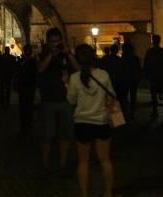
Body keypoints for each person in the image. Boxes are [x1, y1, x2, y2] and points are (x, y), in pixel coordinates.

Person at [67, 44, 114, 197]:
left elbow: (71, 101)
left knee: (83, 162)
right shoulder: (104, 75)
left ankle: (84, 193)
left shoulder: (74, 78)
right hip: (101, 121)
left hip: (82, 122)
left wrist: (66, 85)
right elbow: (111, 96)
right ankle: (107, 192)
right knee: (105, 160)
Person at [37, 27, 78, 176]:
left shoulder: (66, 55)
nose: (55, 44)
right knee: (48, 135)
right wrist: (51, 55)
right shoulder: (44, 54)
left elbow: (78, 69)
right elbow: (40, 69)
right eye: (52, 42)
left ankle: (63, 163)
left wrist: (69, 54)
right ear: (48, 42)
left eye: (57, 41)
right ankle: (44, 163)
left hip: (65, 100)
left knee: (66, 134)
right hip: (48, 100)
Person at [16, 44, 37, 132]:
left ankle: (28, 121)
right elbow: (17, 73)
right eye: (27, 50)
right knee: (23, 104)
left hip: (30, 85)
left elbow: (35, 72)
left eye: (29, 50)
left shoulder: (33, 61)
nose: (28, 52)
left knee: (29, 104)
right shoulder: (20, 61)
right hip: (23, 85)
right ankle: (24, 122)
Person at [104, 45, 128, 118]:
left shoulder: (105, 59)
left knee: (111, 99)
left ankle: (112, 115)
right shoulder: (119, 60)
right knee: (120, 99)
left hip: (109, 81)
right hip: (119, 82)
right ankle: (119, 116)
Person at [121, 43, 141, 120]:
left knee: (124, 96)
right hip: (132, 79)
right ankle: (131, 111)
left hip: (125, 79)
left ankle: (125, 111)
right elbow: (138, 69)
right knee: (133, 96)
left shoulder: (123, 58)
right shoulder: (135, 58)